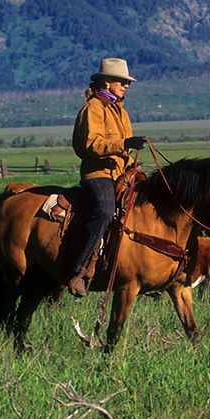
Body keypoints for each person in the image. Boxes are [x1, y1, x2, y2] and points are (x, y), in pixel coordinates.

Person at [67, 57, 146, 297]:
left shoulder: (121, 112)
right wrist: (124, 143)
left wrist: (134, 163)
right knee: (103, 211)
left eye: (127, 82)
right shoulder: (93, 108)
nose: (126, 86)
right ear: (107, 82)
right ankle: (78, 268)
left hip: (120, 173)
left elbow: (124, 150)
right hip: (98, 173)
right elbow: (90, 144)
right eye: (122, 82)